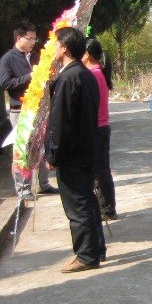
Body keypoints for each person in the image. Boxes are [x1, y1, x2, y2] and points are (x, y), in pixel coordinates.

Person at [44, 27, 105, 272]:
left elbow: (61, 122)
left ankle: (86, 255)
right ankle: (96, 249)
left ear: (65, 48)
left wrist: (53, 153)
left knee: (77, 205)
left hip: (72, 152)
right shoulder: (85, 74)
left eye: (56, 44)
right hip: (86, 147)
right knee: (88, 200)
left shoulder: (69, 78)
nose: (54, 48)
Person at [0, 22, 57, 198]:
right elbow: (5, 83)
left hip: (39, 108)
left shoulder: (35, 57)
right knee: (23, 149)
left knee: (41, 146)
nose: (33, 42)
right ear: (19, 38)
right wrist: (29, 77)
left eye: (35, 39)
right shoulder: (8, 59)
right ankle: (23, 188)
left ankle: (43, 183)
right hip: (20, 110)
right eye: (29, 39)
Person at [82, 38, 117, 220]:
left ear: (87, 55)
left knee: (100, 170)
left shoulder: (94, 75)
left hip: (97, 127)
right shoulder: (97, 72)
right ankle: (107, 207)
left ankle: (107, 208)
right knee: (101, 169)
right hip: (101, 127)